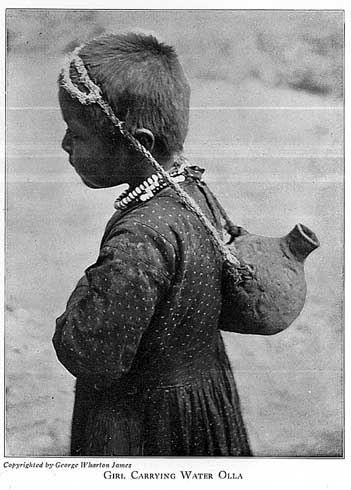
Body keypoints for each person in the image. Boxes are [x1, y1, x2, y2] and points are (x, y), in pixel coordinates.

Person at [52, 32, 251, 456]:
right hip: (202, 397)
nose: (65, 145)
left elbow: (92, 355)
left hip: (144, 422)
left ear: (139, 142)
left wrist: (77, 305)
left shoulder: (140, 239)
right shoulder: (193, 193)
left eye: (77, 133)